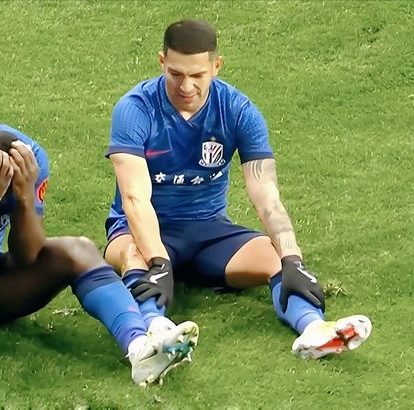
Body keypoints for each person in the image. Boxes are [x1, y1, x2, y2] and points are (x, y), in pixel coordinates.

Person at [103, 19, 372, 362]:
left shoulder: (238, 111)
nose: (186, 86)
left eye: (197, 75)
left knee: (273, 257)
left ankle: (314, 330)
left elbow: (265, 194)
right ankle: (156, 335)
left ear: (216, 66)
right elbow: (134, 198)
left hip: (209, 232)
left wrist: (292, 257)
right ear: (161, 62)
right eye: (176, 74)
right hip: (141, 229)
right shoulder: (135, 109)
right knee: (133, 256)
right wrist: (158, 261)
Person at [0, 124, 199, 409]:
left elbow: (28, 257)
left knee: (78, 249)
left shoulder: (28, 158)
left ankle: (140, 348)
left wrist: (24, 196)